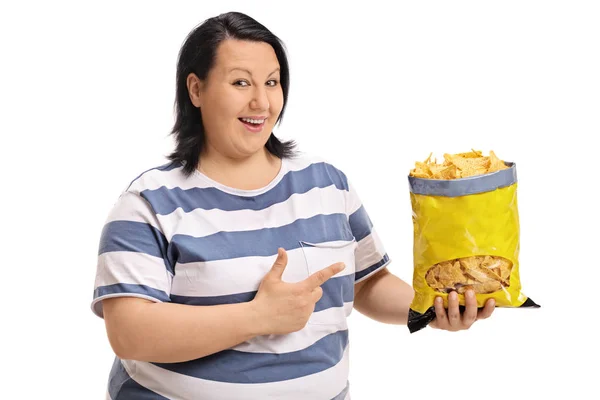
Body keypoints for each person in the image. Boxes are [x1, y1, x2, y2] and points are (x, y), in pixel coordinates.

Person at [91, 11, 496, 400]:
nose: (261, 103)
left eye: (272, 82)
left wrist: (429, 309)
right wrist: (257, 317)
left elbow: (367, 284)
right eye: (240, 83)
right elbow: (129, 332)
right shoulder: (148, 204)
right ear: (195, 89)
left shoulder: (326, 184)